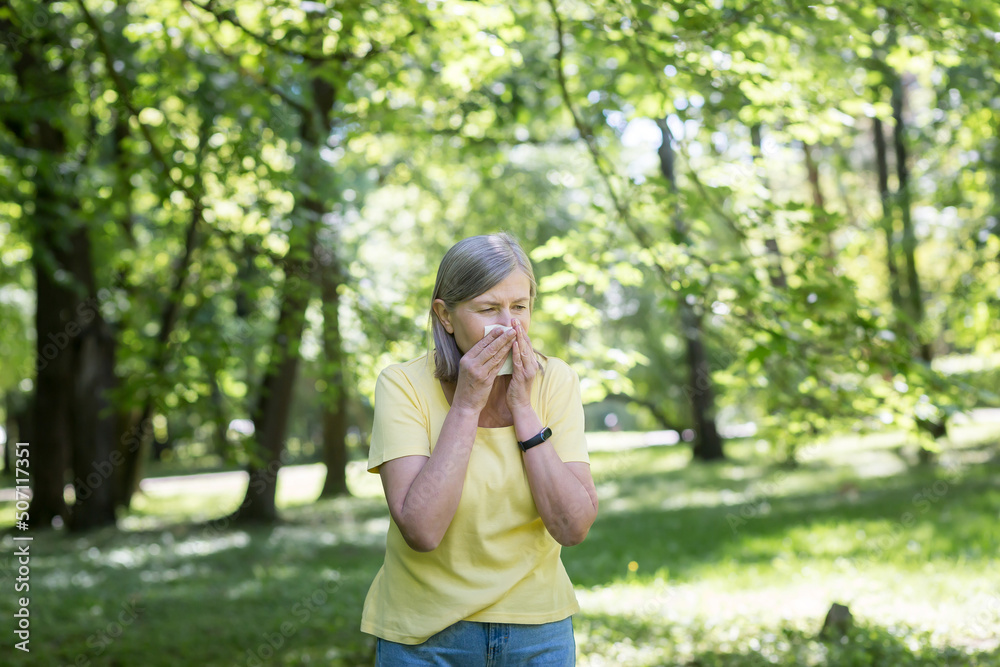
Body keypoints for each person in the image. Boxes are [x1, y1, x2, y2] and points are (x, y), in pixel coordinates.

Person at [361, 232, 599, 666]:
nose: (509, 325)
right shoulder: (402, 385)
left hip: (538, 632)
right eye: (489, 308)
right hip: (425, 636)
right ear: (445, 315)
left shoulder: (555, 380)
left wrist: (523, 408)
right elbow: (422, 529)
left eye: (520, 307)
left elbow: (573, 527)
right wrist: (468, 403)